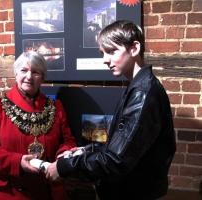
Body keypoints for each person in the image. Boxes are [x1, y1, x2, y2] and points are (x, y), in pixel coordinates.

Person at [45, 20, 176, 200]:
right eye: (103, 53)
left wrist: (64, 166)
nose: (105, 60)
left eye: (112, 51)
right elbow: (122, 145)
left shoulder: (143, 93)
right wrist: (84, 151)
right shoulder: (138, 88)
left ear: (134, 48)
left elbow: (116, 160)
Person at [0, 51, 76, 200]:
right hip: (12, 191)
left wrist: (62, 157)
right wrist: (17, 162)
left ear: (42, 77)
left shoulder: (56, 107)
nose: (29, 76)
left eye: (35, 72)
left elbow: (68, 141)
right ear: (16, 74)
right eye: (24, 70)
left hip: (49, 189)